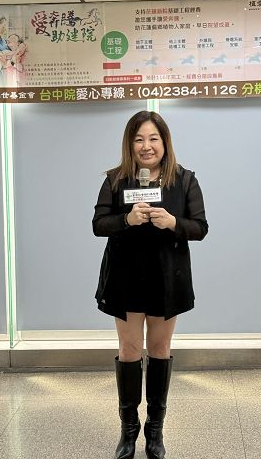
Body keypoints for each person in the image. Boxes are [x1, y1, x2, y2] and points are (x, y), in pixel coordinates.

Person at [92, 111, 208, 459]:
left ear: (164, 142)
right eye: (139, 139)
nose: (146, 146)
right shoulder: (116, 180)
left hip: (166, 278)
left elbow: (200, 227)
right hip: (126, 278)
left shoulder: (184, 180)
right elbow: (99, 224)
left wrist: (173, 223)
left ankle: (154, 431)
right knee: (130, 350)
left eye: (153, 138)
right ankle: (128, 430)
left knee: (159, 349)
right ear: (130, 144)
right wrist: (126, 219)